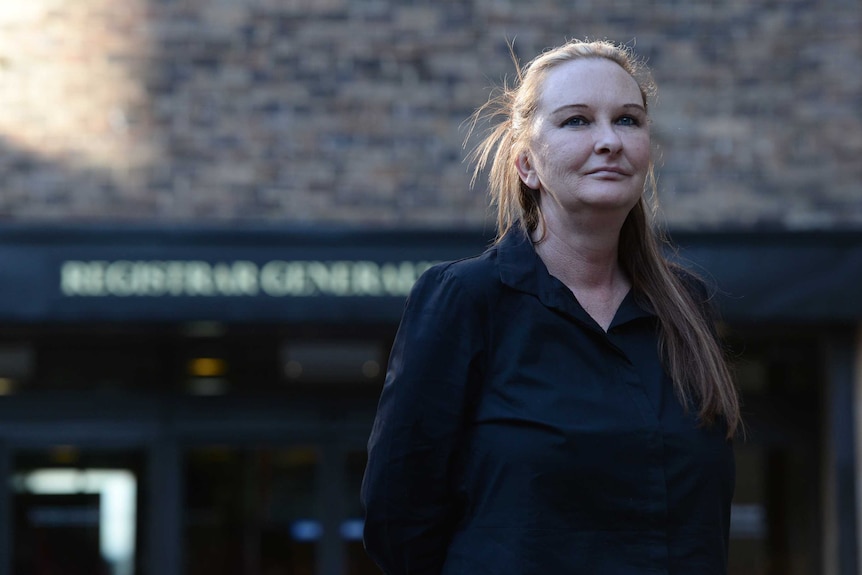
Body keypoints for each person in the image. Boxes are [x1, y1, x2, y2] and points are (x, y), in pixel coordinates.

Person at [361, 38, 741, 574]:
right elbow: (397, 522)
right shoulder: (466, 301)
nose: (609, 140)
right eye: (577, 122)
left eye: (628, 120)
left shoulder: (686, 306)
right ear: (526, 164)